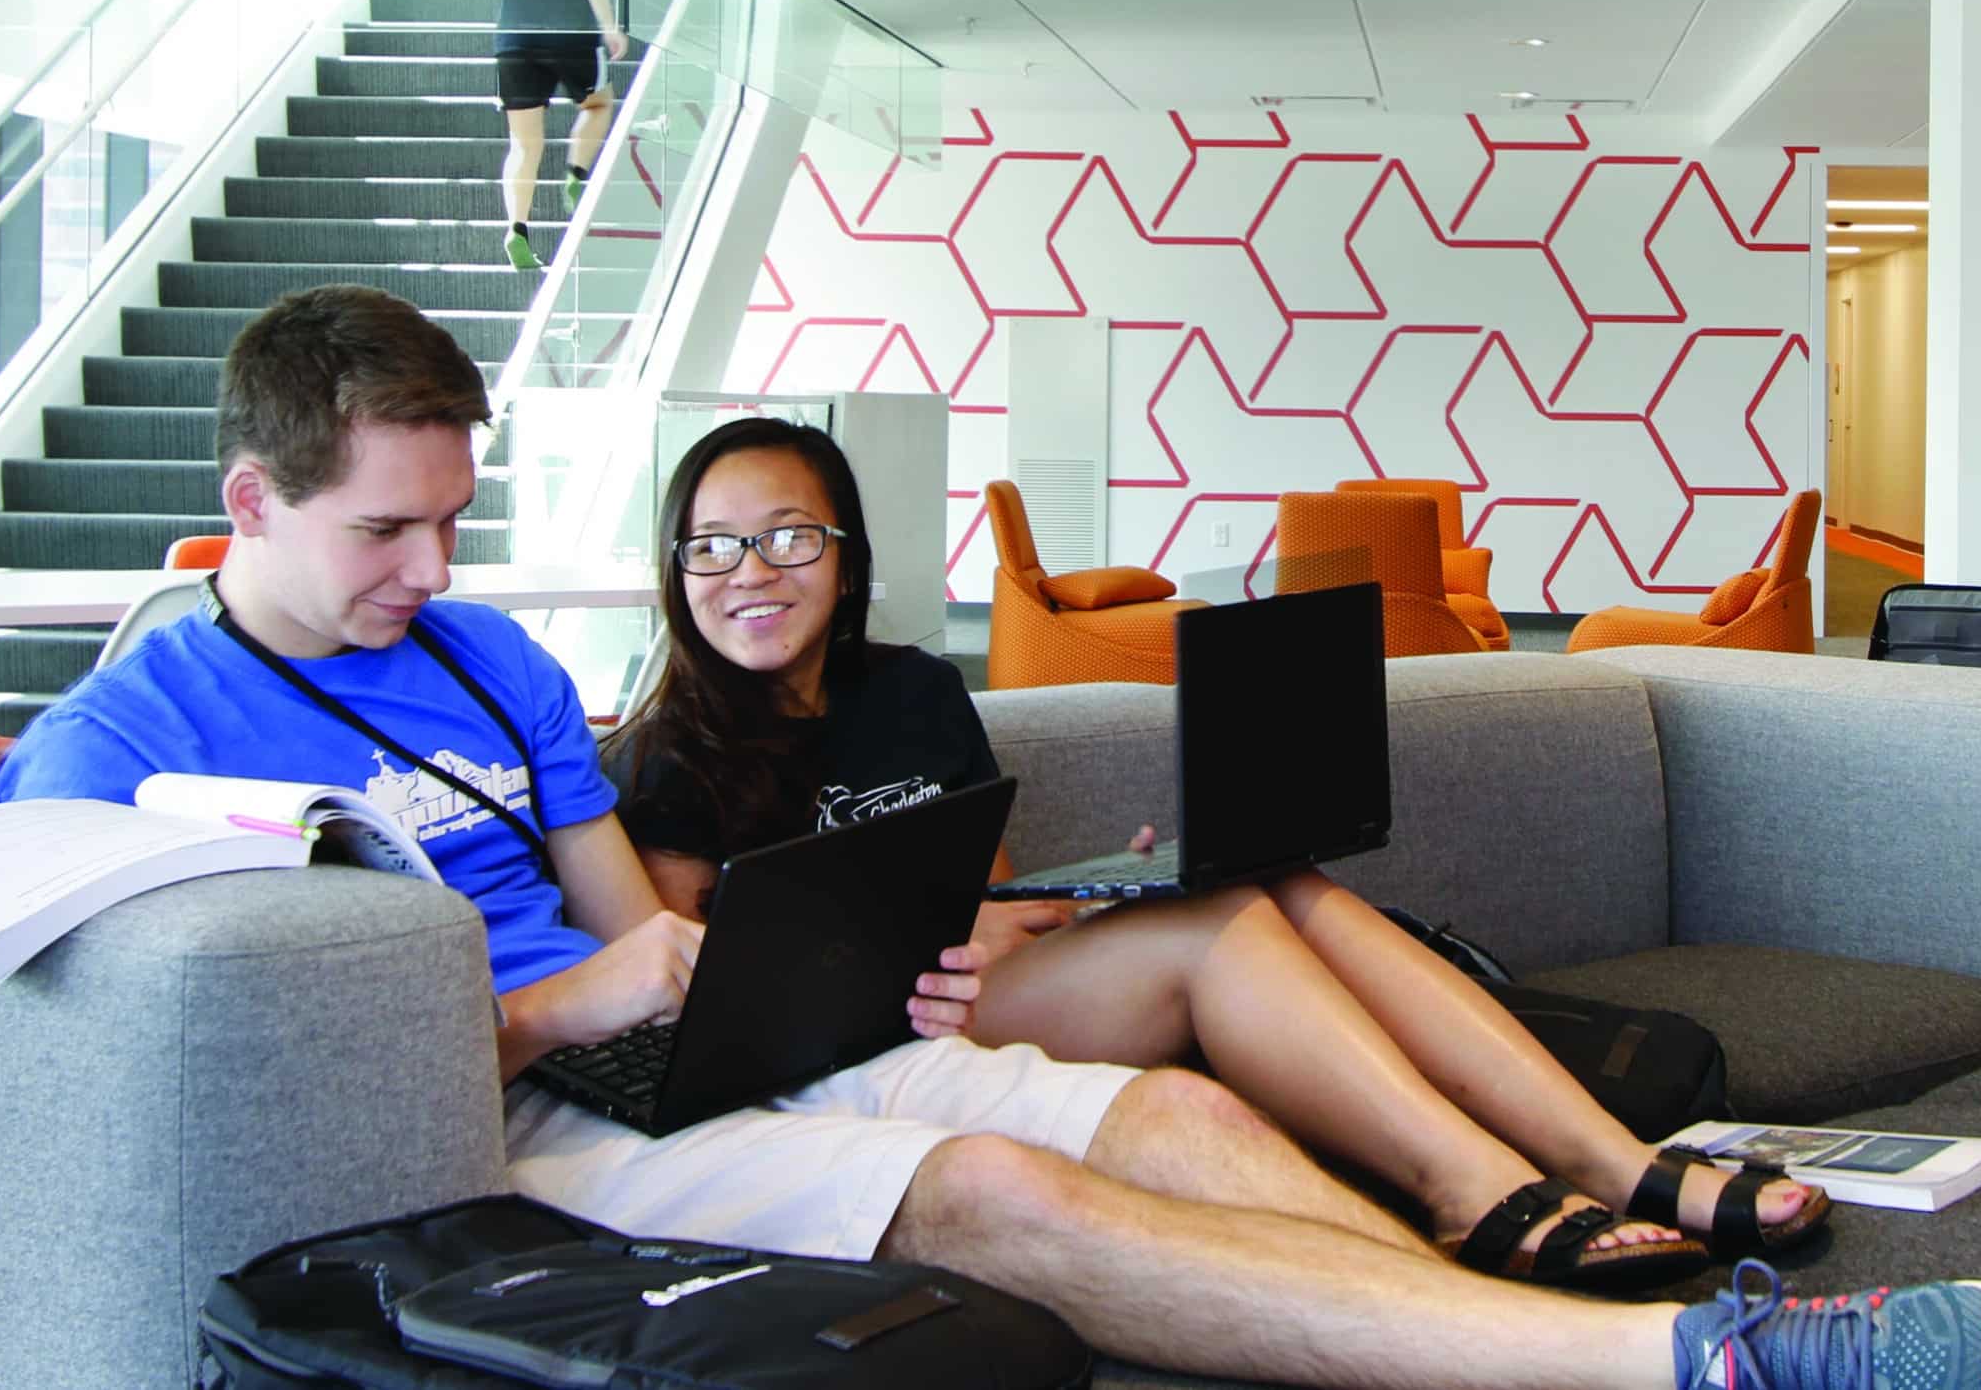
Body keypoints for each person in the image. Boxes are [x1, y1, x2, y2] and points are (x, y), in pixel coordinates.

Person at [0, 283, 1981, 1390]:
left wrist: (700, 969)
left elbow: (627, 921)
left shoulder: (500, 656)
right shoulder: (124, 724)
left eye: (449, 522)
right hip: (513, 1118)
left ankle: (1539, 1308)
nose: (431, 572)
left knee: (1187, 1123)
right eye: (378, 534)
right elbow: (86, 1028)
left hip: (699, 1044)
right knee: (988, 1180)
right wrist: (554, 1011)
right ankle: (1696, 1369)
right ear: (245, 504)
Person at [610, 419, 1829, 1289]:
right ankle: (1474, 1189)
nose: (750, 574)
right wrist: (930, 943)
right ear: (677, 572)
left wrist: (1084, 893)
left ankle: (1607, 1159)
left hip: (975, 982)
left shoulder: (915, 690)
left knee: (1268, 879)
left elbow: (980, 893)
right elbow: (709, 1004)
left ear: (846, 551)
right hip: (870, 1048)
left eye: (787, 537)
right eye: (712, 547)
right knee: (1227, 926)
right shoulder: (669, 756)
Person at [471, 0, 626, 273]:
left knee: (523, 144)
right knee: (597, 104)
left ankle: (517, 229)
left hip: (514, 41)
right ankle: (576, 172)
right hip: (572, 35)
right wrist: (608, 24)